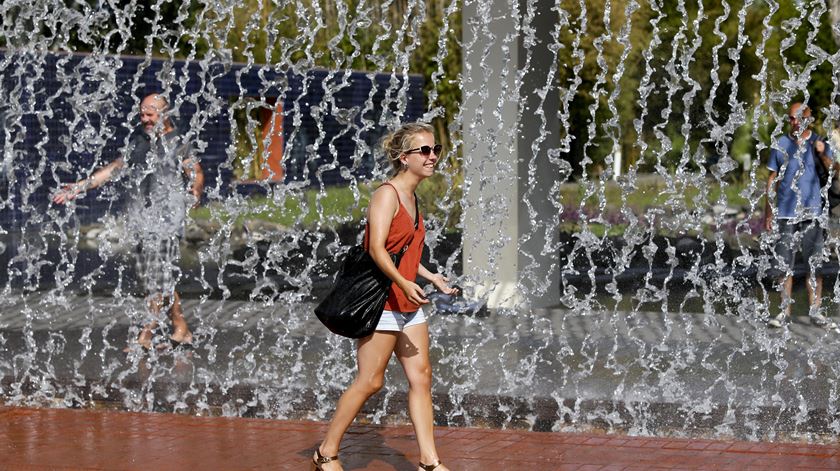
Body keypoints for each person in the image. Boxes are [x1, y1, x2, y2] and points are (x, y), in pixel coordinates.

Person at [312, 123, 457, 471]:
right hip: (383, 303)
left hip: (409, 303)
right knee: (371, 381)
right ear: (403, 157)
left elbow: (401, 251)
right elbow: (376, 249)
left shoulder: (413, 196)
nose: (433, 156)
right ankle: (326, 452)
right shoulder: (386, 195)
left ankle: (429, 461)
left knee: (421, 378)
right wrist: (404, 283)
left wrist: (428, 275)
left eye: (434, 149)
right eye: (424, 151)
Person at [53, 93, 204, 349]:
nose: (144, 119)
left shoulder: (179, 142)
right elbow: (116, 168)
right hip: (143, 218)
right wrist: (80, 187)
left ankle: (146, 334)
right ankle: (181, 328)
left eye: (149, 114)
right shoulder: (138, 139)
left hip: (167, 219)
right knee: (157, 278)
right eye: (142, 114)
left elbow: (196, 172)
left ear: (164, 115)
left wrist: (196, 189)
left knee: (156, 278)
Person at [764, 102, 834, 328]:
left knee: (815, 265)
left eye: (795, 118)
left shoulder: (819, 141)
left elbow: (833, 170)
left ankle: (815, 311)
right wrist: (768, 213)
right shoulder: (781, 143)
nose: (792, 122)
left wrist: (823, 155)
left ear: (806, 118)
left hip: (812, 212)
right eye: (790, 119)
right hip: (785, 213)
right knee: (784, 266)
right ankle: (784, 312)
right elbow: (772, 179)